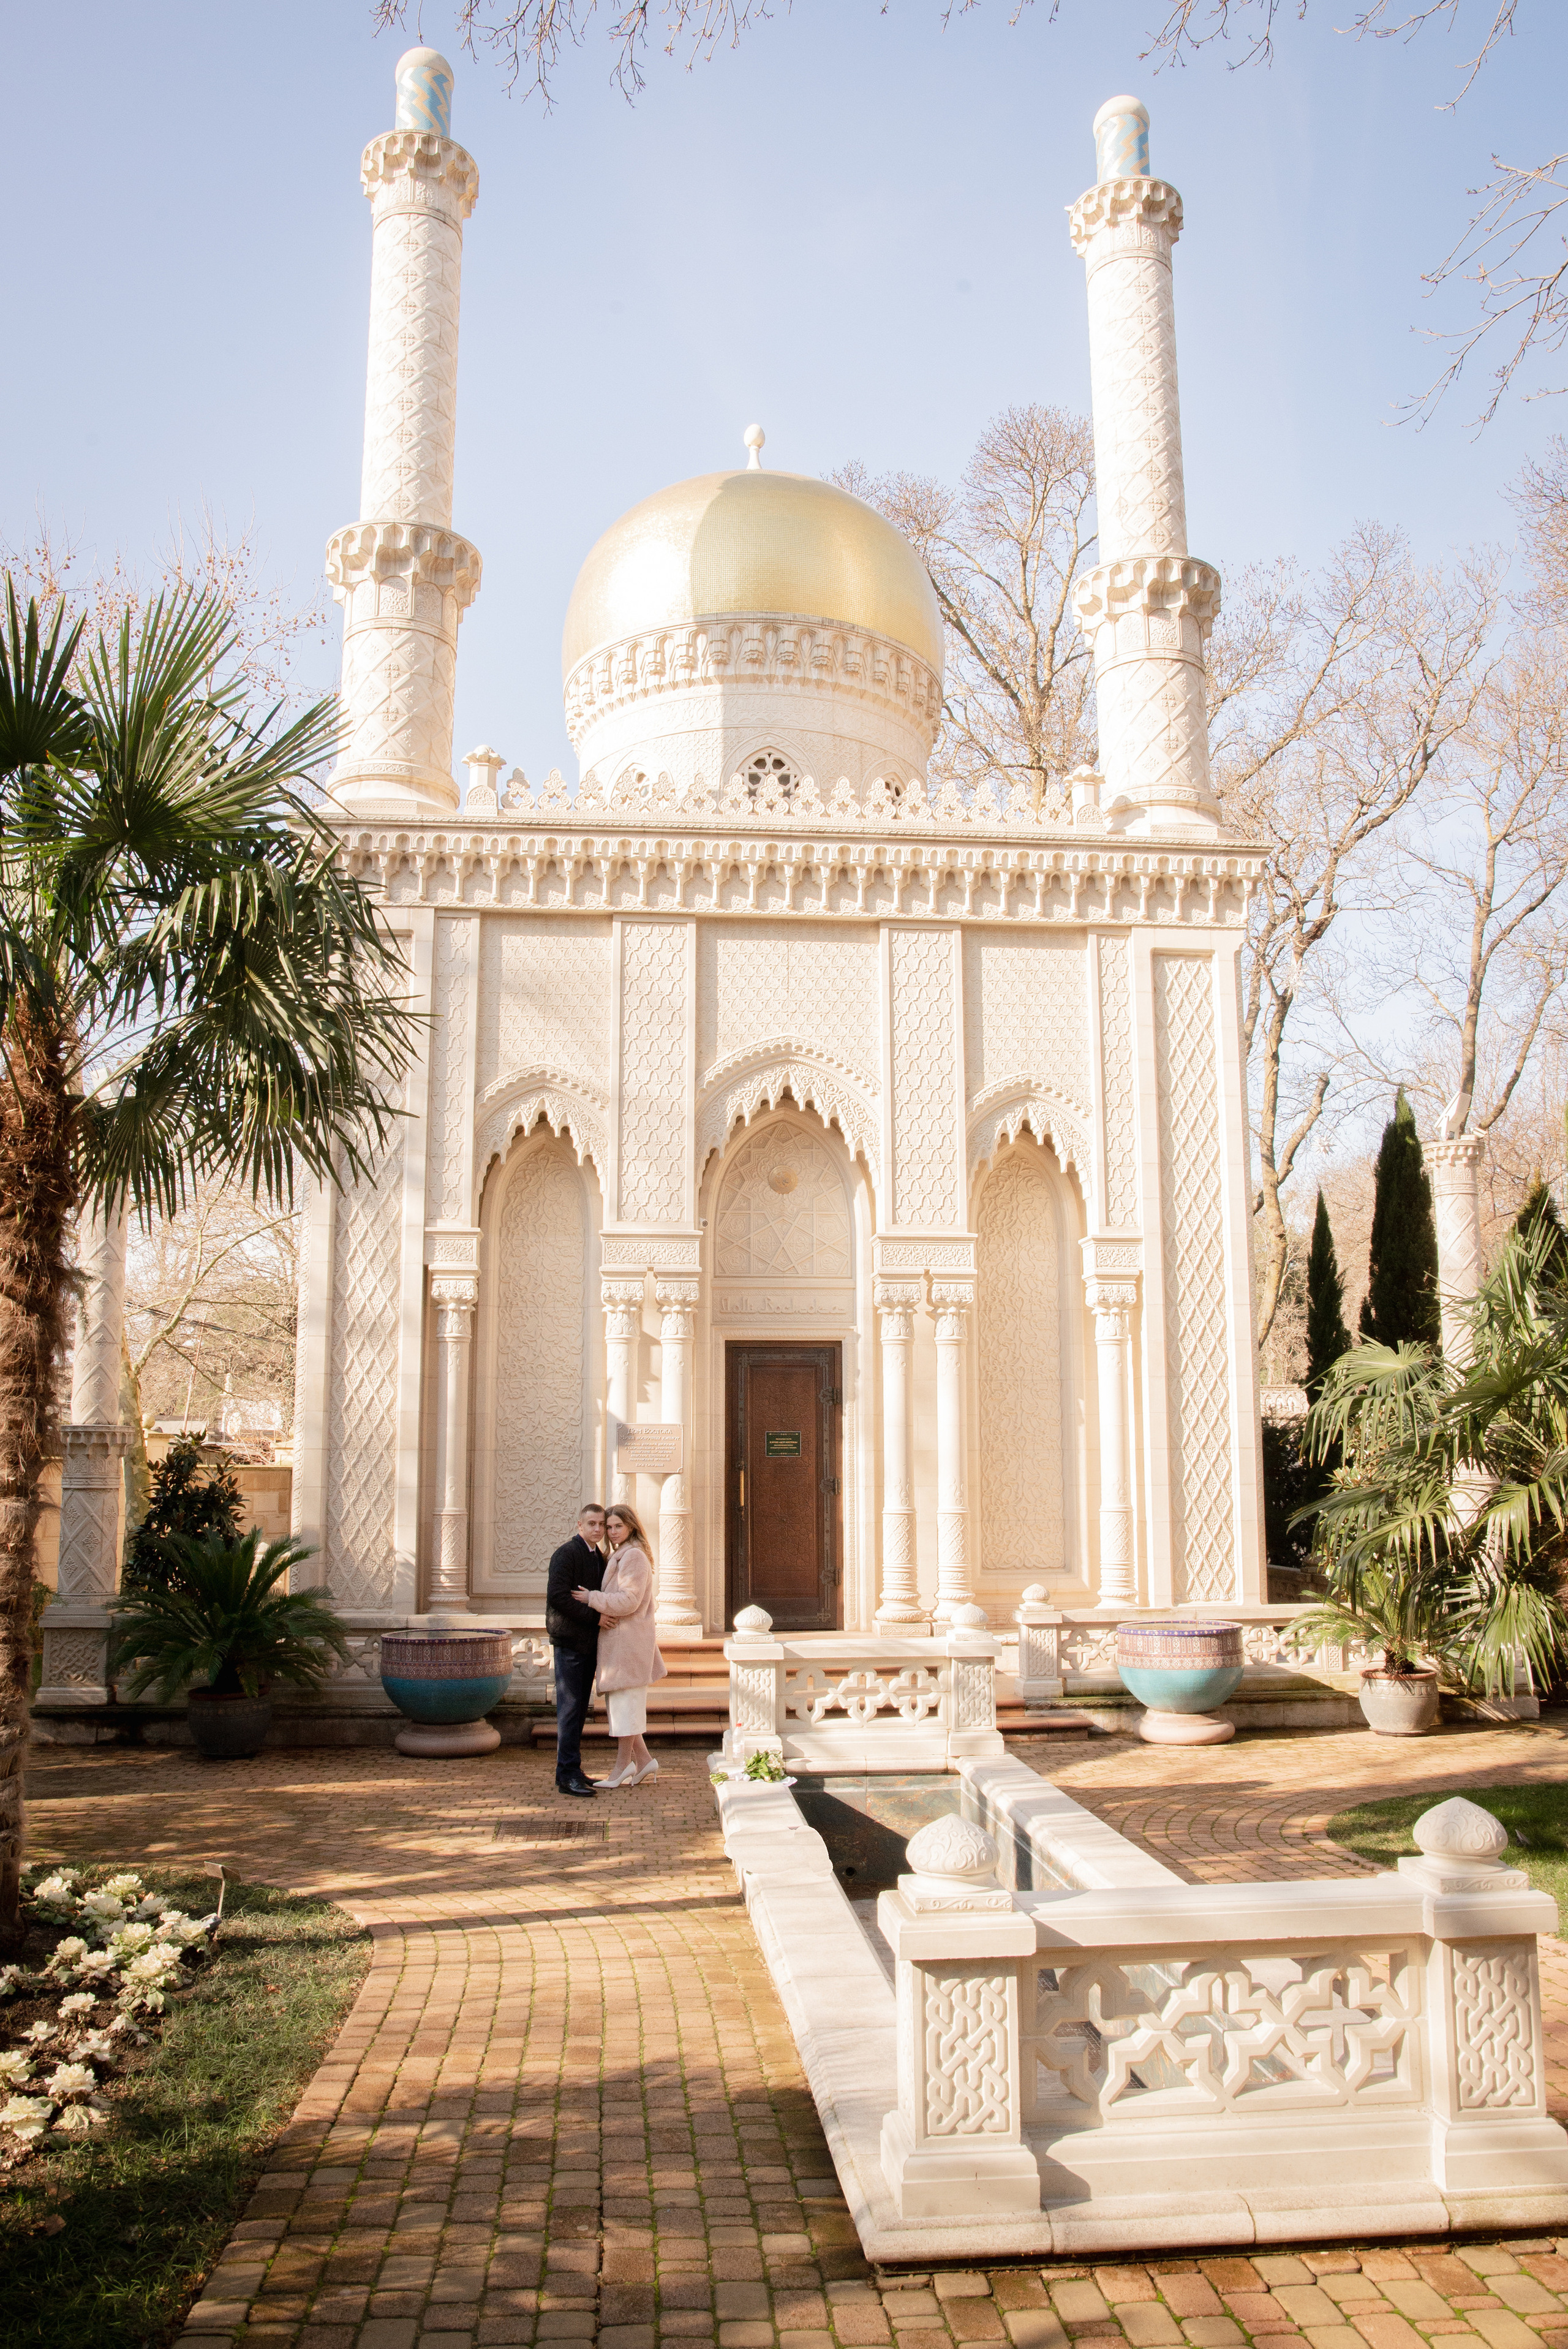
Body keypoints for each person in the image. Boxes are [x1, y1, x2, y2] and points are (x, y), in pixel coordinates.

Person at [573, 1502, 668, 1788]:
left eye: (618, 1526)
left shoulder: (633, 1556)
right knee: (624, 1710)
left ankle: (621, 1768)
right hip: (622, 1646)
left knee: (626, 1710)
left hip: (629, 1645)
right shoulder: (621, 1555)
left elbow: (629, 1601)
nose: (612, 1532)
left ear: (631, 1527)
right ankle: (645, 1761)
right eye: (609, 1527)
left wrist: (592, 1598)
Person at [547, 1502, 606, 1796]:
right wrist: (596, 1617)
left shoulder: (599, 1557)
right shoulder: (566, 1553)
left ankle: (573, 1769)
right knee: (570, 1710)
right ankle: (566, 1776)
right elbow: (558, 1597)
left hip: (588, 1644)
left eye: (601, 1524)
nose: (598, 1529)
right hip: (570, 1644)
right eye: (591, 1524)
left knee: (580, 1709)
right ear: (579, 1526)